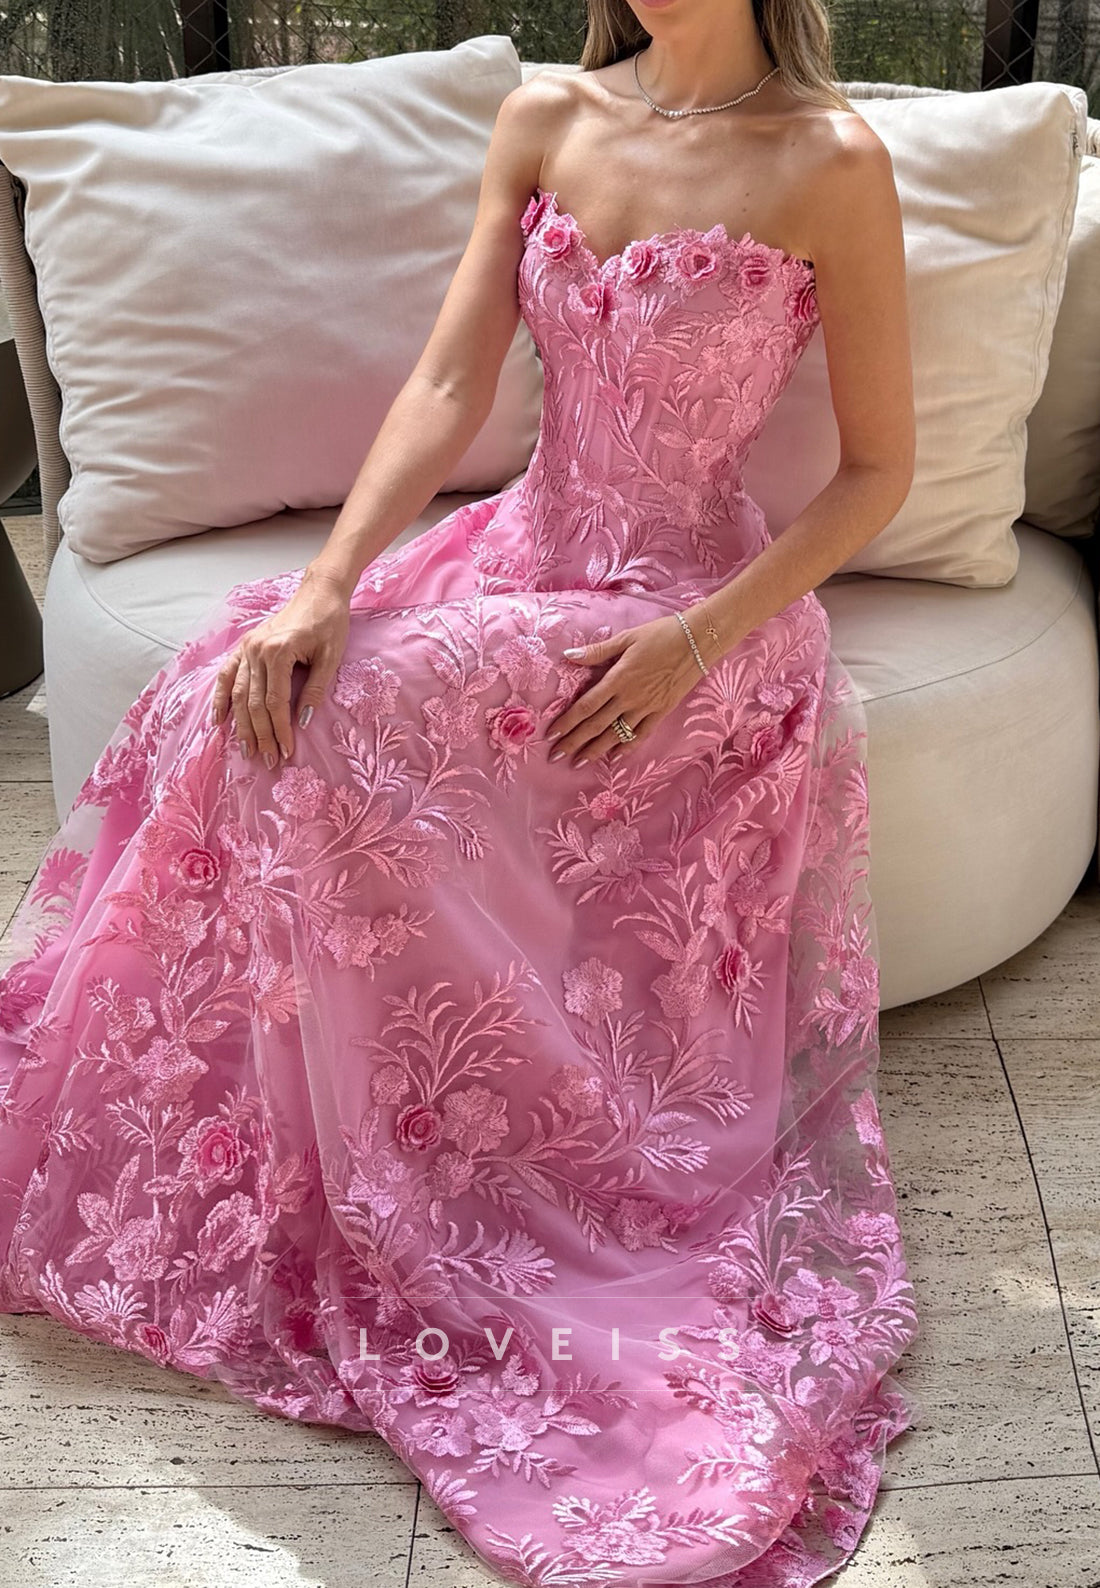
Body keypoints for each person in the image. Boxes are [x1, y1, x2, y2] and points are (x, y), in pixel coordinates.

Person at [0, 0, 920, 1582]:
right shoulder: (549, 117)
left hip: (690, 621)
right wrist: (330, 581)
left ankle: (418, 1166)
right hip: (524, 555)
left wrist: (697, 643)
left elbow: (877, 470)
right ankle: (314, 1145)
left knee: (338, 731)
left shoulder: (831, 159)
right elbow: (447, 380)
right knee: (249, 678)